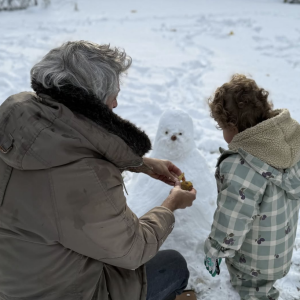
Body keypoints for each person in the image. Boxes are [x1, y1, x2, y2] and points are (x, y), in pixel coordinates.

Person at [0, 41, 197, 300]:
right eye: (112, 94)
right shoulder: (87, 178)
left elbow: (64, 149)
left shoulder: (16, 123)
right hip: (61, 292)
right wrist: (171, 205)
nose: (115, 103)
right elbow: (133, 250)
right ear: (89, 100)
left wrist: (139, 163)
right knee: (173, 265)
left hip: (15, 278)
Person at [204, 74, 300, 299]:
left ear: (233, 126)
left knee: (254, 292)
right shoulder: (287, 146)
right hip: (279, 246)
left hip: (252, 258)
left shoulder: (241, 167)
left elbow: (233, 216)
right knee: (263, 286)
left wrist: (215, 250)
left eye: (222, 128)